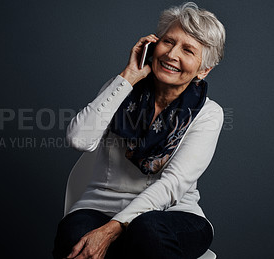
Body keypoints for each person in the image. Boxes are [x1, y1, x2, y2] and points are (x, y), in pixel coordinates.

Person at [53, 2, 226, 259]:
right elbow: (79, 139)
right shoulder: (119, 87)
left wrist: (112, 230)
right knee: (72, 237)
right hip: (100, 207)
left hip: (173, 214)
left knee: (147, 232)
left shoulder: (209, 113)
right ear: (153, 44)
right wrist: (128, 77)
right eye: (168, 42)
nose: (171, 54)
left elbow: (172, 184)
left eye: (187, 50)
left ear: (203, 70)